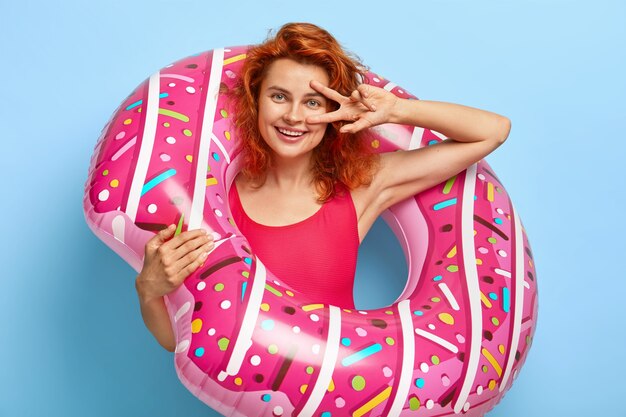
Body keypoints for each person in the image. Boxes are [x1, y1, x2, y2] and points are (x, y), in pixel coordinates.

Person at [135, 23, 511, 352]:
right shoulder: (217, 204)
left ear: (333, 112)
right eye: (279, 96)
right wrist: (149, 292)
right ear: (256, 101)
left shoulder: (362, 188)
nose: (294, 116)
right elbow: (182, 341)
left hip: (337, 397)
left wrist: (397, 111)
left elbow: (492, 132)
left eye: (312, 102)